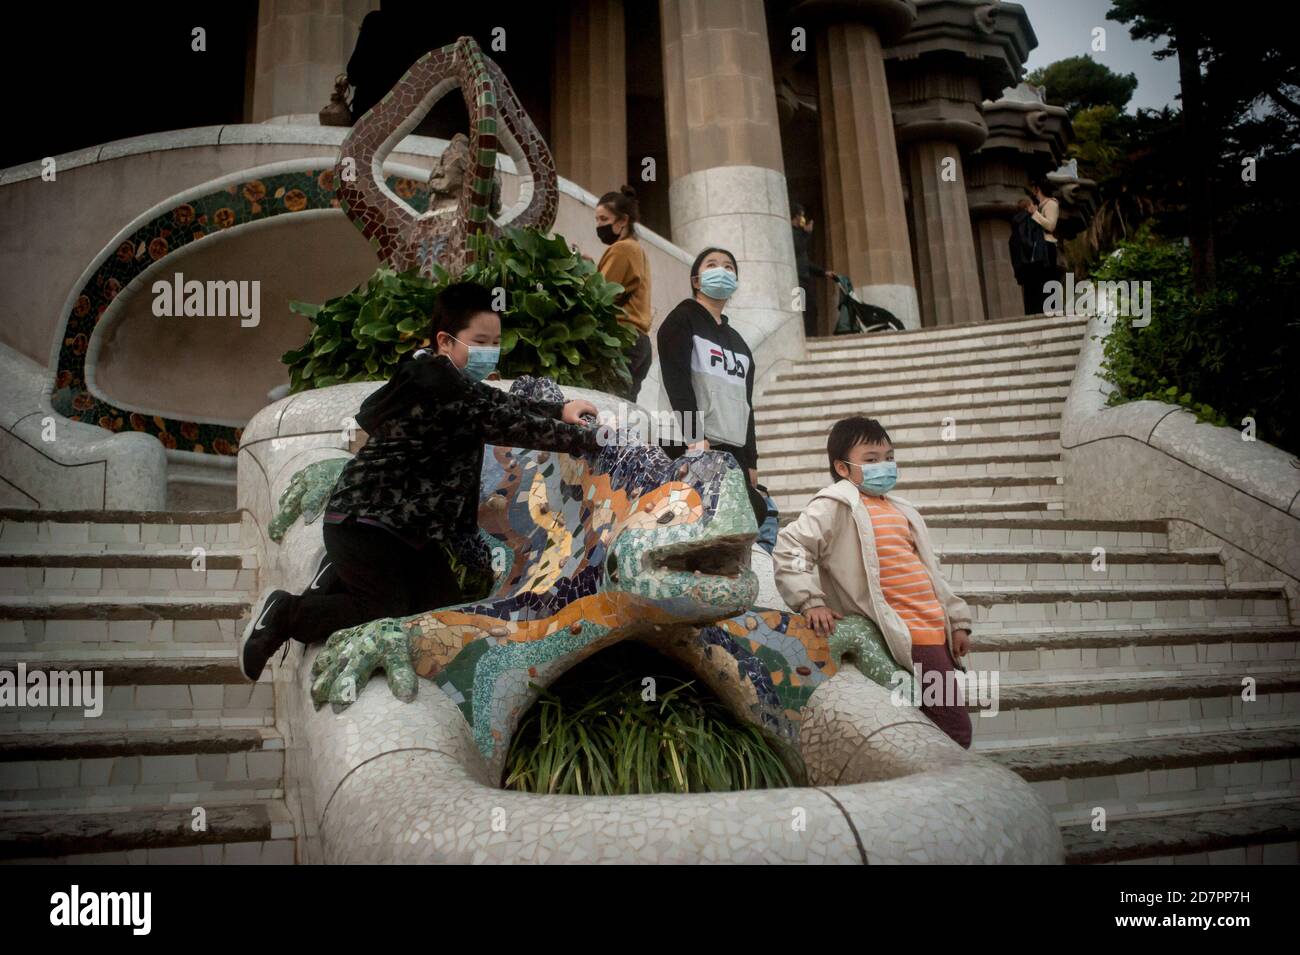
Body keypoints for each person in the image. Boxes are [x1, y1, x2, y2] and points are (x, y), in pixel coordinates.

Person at [239, 282, 601, 681]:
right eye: (480, 341)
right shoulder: (436, 385)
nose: (490, 351)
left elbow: (499, 402)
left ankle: (336, 576)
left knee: (442, 614)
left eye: (495, 342)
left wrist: (560, 407)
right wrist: (591, 439)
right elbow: (508, 423)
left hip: (408, 534)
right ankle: (285, 614)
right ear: (446, 340)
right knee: (384, 613)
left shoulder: (448, 379)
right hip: (367, 523)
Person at [772, 415, 975, 747]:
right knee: (956, 729)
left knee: (934, 724)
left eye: (889, 458)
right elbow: (791, 546)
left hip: (935, 631)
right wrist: (810, 600)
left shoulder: (902, 510)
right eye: (871, 460)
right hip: (908, 634)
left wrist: (957, 621)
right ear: (842, 468)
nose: (885, 466)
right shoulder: (836, 505)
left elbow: (930, 573)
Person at [656, 247, 767, 526]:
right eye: (712, 264)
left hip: (732, 449)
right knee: (691, 524)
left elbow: (746, 405)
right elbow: (677, 381)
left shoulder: (740, 345)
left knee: (746, 518)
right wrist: (695, 436)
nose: (722, 271)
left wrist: (751, 461)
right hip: (687, 443)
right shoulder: (680, 321)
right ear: (696, 280)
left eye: (729, 267)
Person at [595, 186, 653, 402]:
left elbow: (601, 294)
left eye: (603, 219)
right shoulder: (636, 249)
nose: (599, 225)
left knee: (611, 410)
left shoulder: (622, 249)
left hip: (622, 340)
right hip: (639, 341)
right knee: (625, 411)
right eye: (597, 220)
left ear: (622, 221)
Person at [791, 204, 836, 337]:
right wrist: (807, 233)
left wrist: (823, 272)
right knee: (799, 310)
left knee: (811, 310)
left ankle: (810, 337)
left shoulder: (799, 233)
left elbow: (805, 261)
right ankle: (800, 337)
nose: (803, 218)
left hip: (804, 279)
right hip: (796, 280)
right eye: (801, 215)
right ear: (797, 216)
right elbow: (797, 249)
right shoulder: (791, 232)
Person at [1009, 197, 1050, 315]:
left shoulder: (1015, 222)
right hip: (1033, 260)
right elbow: (1030, 239)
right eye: (1032, 205)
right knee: (1038, 289)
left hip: (1022, 263)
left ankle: (1031, 312)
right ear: (1028, 207)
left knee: (1028, 291)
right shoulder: (1029, 219)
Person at [1029, 179, 1062, 314]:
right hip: (1039, 246)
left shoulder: (1051, 204)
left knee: (1049, 278)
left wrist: (1034, 214)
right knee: (1039, 279)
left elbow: (1050, 225)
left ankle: (1053, 308)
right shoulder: (1040, 205)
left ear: (1038, 189)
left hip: (1048, 246)